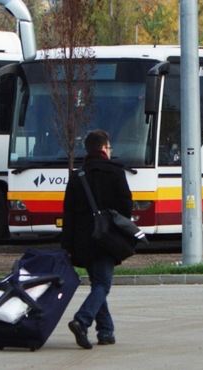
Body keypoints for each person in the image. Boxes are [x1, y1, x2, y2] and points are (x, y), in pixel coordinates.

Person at [61, 129, 133, 349]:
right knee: (102, 285)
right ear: (103, 149)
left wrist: (68, 246)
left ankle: (105, 332)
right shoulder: (116, 173)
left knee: (98, 284)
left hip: (83, 240)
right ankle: (81, 321)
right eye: (109, 147)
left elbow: (68, 214)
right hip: (106, 238)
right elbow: (126, 207)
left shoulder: (77, 176)